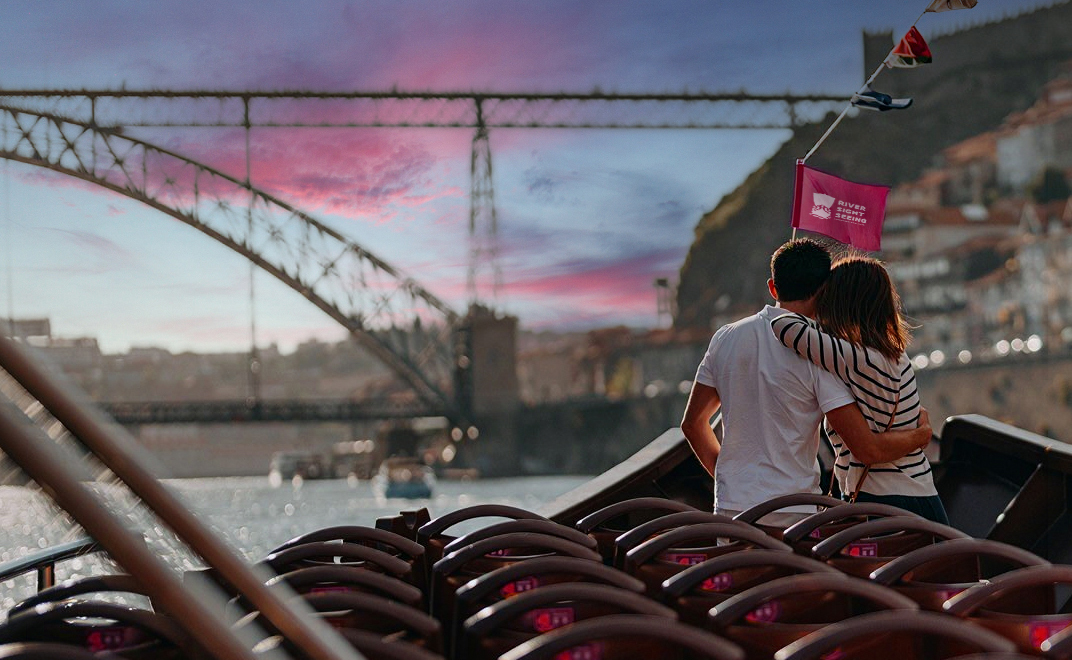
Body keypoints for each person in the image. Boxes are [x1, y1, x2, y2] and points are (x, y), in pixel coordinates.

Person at [680, 239, 932, 527]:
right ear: (827, 291)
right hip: (793, 510)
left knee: (739, 572)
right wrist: (919, 434)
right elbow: (865, 445)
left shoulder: (725, 338)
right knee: (796, 574)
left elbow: (693, 424)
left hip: (731, 509)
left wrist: (729, 481)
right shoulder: (819, 354)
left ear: (773, 288)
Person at [769, 255, 948, 523]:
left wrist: (818, 311)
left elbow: (782, 325)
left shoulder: (853, 357)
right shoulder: (896, 357)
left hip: (883, 502)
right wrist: (921, 434)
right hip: (921, 496)